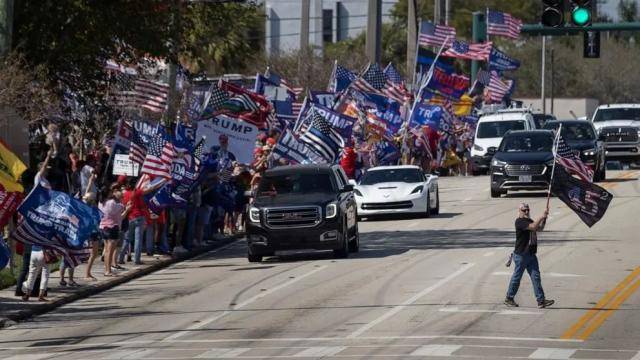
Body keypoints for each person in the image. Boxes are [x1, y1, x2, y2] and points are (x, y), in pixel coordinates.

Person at [505, 203, 555, 309]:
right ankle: (509, 298)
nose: (527, 212)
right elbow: (533, 227)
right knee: (517, 278)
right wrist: (541, 216)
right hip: (521, 255)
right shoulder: (519, 222)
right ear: (519, 211)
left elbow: (539, 229)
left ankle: (541, 300)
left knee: (536, 277)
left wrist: (544, 219)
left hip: (531, 254)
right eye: (524, 210)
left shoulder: (529, 221)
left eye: (528, 210)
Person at [99, 183, 128, 276]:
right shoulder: (112, 203)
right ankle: (108, 271)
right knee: (110, 252)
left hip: (103, 227)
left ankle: (107, 270)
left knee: (107, 250)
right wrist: (126, 208)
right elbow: (121, 211)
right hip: (112, 227)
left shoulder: (100, 202)